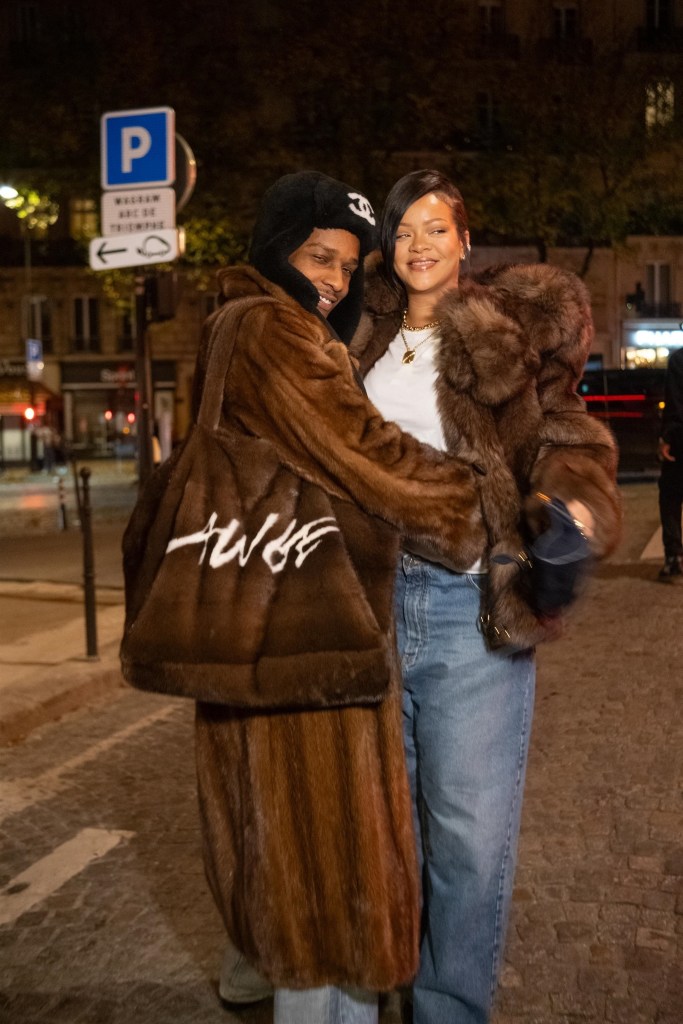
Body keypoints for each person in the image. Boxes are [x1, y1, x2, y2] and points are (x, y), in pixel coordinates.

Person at [188, 171, 485, 1024]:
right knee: (325, 882)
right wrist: (472, 504)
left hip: (256, 618)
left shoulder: (236, 323)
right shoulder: (276, 331)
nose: (334, 279)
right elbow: (359, 451)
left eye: (349, 267)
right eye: (320, 256)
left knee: (286, 861)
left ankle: (270, 965)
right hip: (298, 632)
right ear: (276, 247)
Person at [350, 169, 623, 1024]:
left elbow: (561, 434)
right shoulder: (355, 339)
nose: (419, 244)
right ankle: (378, 978)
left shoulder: (500, 336)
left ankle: (446, 1010)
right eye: (403, 231)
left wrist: (571, 504)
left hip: (469, 610)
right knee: (378, 831)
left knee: (466, 840)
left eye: (436, 228)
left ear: (465, 243)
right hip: (365, 607)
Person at [657, 347, 683, 580]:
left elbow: (675, 404)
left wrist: (668, 437)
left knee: (671, 494)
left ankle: (674, 557)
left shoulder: (679, 360)